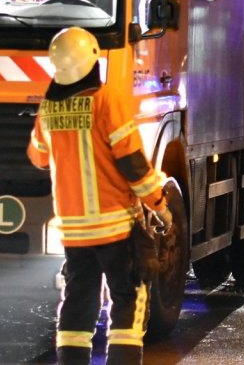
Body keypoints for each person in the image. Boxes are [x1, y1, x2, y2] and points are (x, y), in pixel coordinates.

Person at [27, 26, 172, 365]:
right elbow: (134, 165)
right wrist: (160, 206)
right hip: (116, 228)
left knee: (78, 302)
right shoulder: (106, 101)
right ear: (92, 60)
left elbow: (38, 156)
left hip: (74, 232)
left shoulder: (49, 108)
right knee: (128, 300)